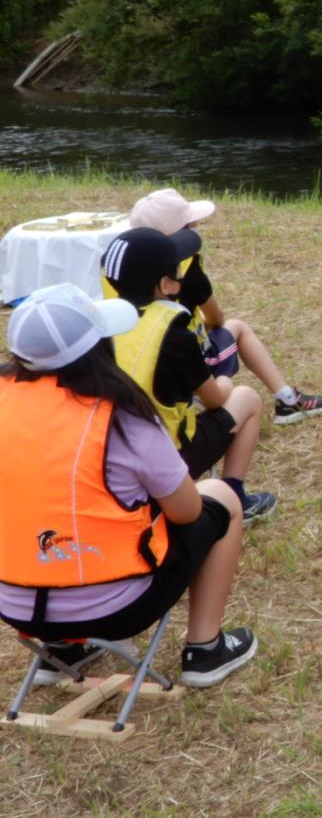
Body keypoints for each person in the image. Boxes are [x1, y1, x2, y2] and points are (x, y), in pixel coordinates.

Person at [0, 284, 257, 688]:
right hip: (116, 607)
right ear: (100, 348)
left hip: (15, 605)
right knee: (221, 497)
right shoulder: (120, 414)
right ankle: (205, 649)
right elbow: (187, 511)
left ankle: (62, 650)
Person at [101, 227, 276, 524]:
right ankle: (235, 496)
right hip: (165, 461)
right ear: (167, 285)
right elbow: (214, 399)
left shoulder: (98, 326)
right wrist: (225, 379)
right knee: (247, 398)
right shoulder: (173, 333)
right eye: (177, 272)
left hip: (111, 460)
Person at [127, 187, 322, 425]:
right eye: (190, 223)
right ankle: (287, 399)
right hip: (188, 371)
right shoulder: (187, 271)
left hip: (146, 371)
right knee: (237, 328)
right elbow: (216, 318)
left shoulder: (124, 274)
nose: (196, 224)